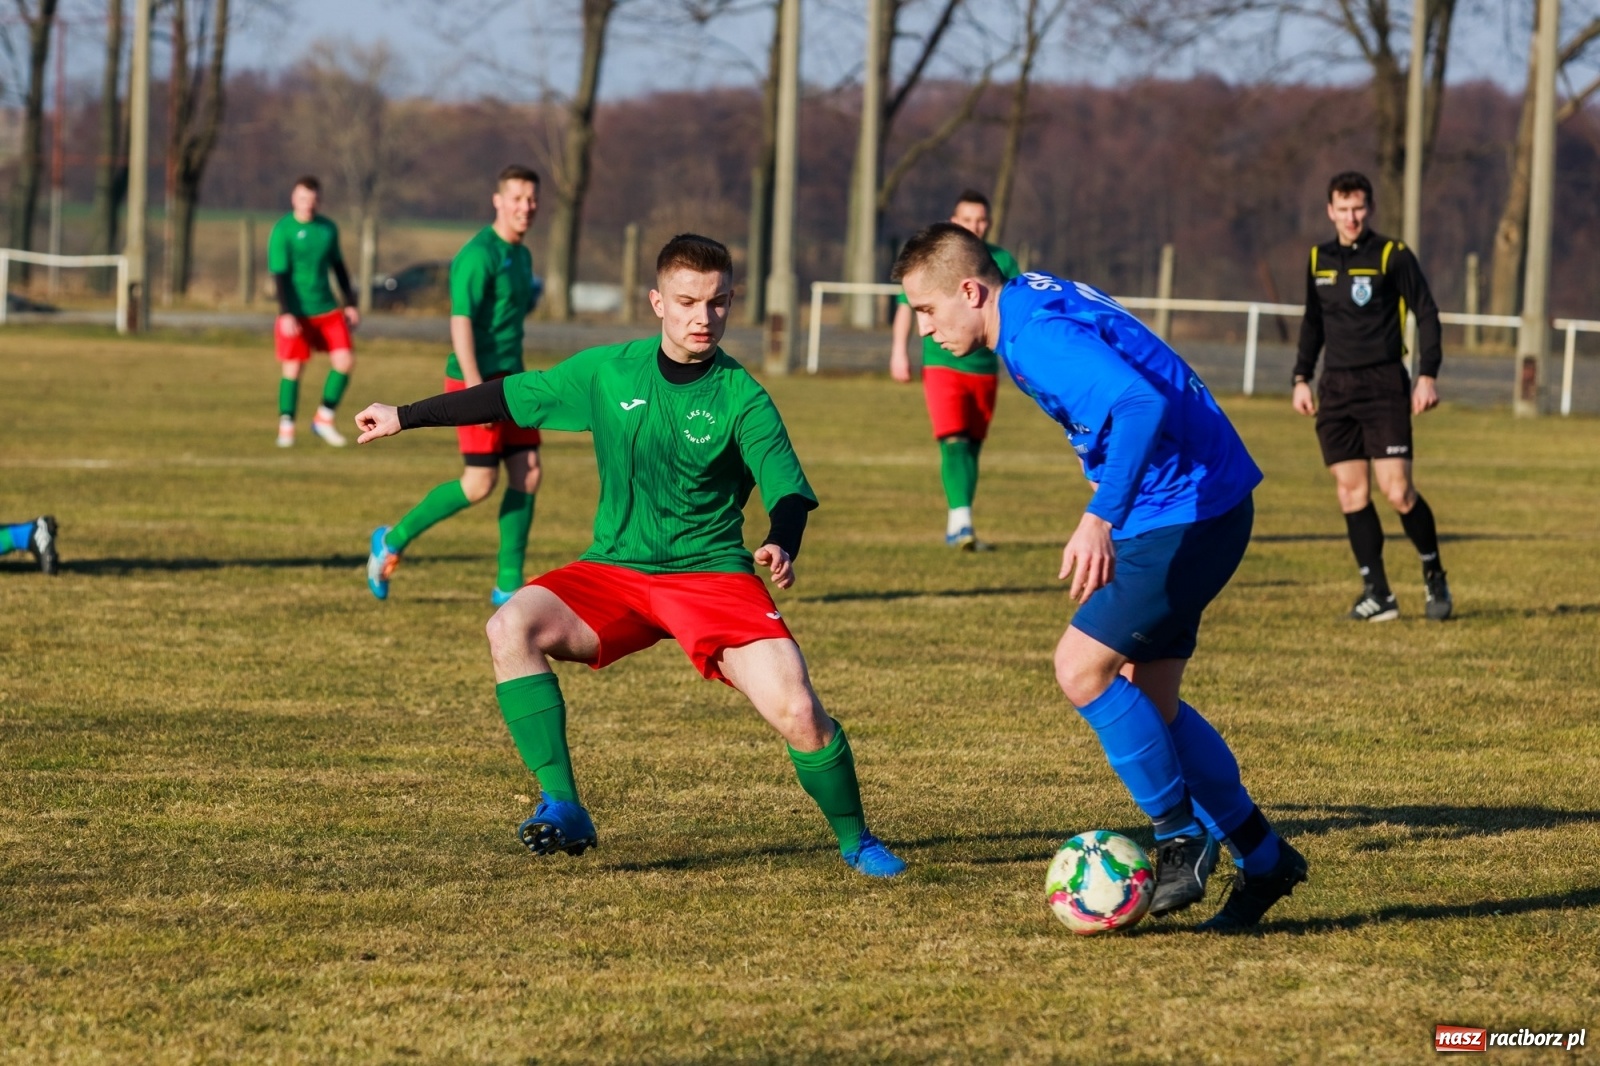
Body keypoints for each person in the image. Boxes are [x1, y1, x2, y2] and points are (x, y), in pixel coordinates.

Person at [353, 233, 906, 879]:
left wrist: (782, 539)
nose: (704, 317)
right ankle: (562, 803)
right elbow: (508, 395)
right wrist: (404, 414)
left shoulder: (743, 396)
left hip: (710, 576)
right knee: (510, 625)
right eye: (688, 301)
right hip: (613, 570)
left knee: (799, 711)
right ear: (657, 303)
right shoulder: (608, 372)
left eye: (719, 302)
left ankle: (856, 840)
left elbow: (786, 488)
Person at [894, 223, 1306, 930]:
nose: (923, 328)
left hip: (1184, 512)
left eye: (927, 311)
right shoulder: (1028, 301)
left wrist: (1100, 517)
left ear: (970, 290)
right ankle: (1265, 859)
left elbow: (1139, 402)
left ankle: (1181, 837)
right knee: (1155, 705)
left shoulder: (1032, 339)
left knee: (1080, 669)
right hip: (1197, 504)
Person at [366, 165, 545, 606]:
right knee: (479, 483)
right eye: (517, 198)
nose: (526, 207)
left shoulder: (522, 256)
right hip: (474, 380)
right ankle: (391, 539)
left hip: (513, 381)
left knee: (528, 472)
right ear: (498, 201)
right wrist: (473, 389)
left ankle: (508, 585)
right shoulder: (478, 254)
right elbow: (460, 321)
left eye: (532, 199)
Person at [1294, 170, 1453, 623]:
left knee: (1398, 491)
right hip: (1336, 388)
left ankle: (1433, 575)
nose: (1351, 217)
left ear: (1370, 208)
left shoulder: (1392, 255)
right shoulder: (1317, 258)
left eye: (1358, 208)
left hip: (1384, 384)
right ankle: (1377, 592)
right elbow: (1312, 323)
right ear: (1330, 211)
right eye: (1342, 209)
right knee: (1351, 492)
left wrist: (1427, 375)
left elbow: (1426, 312)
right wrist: (1301, 377)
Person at [889, 190, 1021, 550]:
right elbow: (908, 305)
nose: (974, 226)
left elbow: (1010, 309)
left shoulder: (1001, 261)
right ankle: (960, 522)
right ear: (954, 220)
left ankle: (960, 521)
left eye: (981, 220)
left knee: (973, 444)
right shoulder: (936, 259)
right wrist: (900, 352)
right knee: (954, 438)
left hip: (984, 369)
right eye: (967, 219)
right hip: (943, 364)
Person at [268, 176, 360, 448]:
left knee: (345, 361)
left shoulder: (328, 229)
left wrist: (350, 303)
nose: (309, 204)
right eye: (303, 198)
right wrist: (286, 313)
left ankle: (324, 418)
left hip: (327, 309)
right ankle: (286, 426)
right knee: (294, 368)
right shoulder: (283, 230)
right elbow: (280, 275)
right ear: (293, 199)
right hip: (296, 312)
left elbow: (339, 268)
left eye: (313, 199)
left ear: (319, 200)